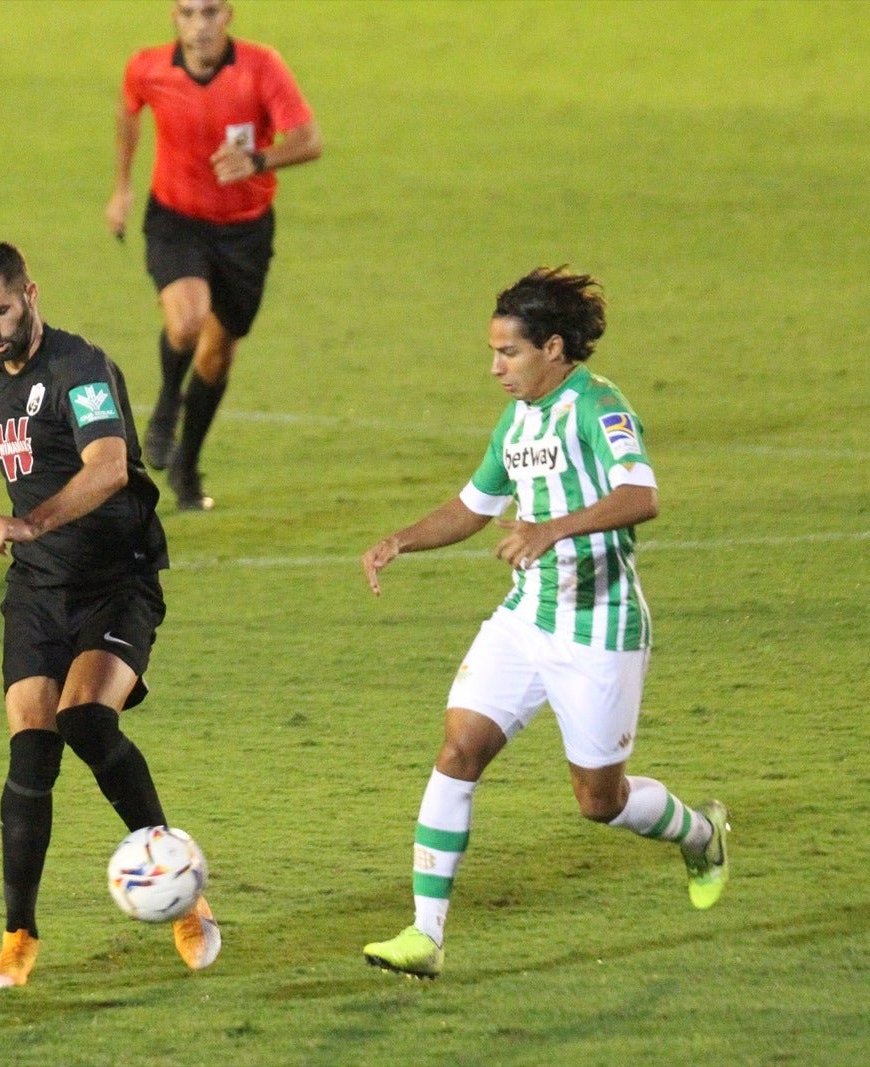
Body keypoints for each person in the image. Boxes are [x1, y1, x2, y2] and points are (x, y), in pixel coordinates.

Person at [358, 268, 730, 980]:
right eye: (493, 352)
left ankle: (704, 834)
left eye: (509, 353)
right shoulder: (518, 418)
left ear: (554, 347)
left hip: (599, 626)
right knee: (459, 746)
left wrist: (551, 529)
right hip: (527, 618)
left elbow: (641, 494)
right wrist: (400, 538)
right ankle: (425, 934)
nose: (495, 367)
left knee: (601, 800)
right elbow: (472, 505)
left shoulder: (599, 407)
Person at [0, 240, 220, 988]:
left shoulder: (81, 369)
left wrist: (30, 523)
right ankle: (19, 933)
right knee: (31, 746)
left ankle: (184, 894)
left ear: (31, 291)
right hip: (38, 590)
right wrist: (30, 542)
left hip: (116, 580)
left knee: (86, 720)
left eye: (1, 310)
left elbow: (107, 467)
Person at [106, 0, 321, 510]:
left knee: (218, 353)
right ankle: (164, 406)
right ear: (173, 17)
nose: (199, 26)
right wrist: (121, 188)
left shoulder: (262, 66)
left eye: (209, 12)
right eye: (188, 13)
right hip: (176, 219)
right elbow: (127, 111)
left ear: (229, 15)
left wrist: (258, 161)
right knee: (186, 322)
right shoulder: (148, 67)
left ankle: (186, 463)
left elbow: (310, 140)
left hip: (245, 233)